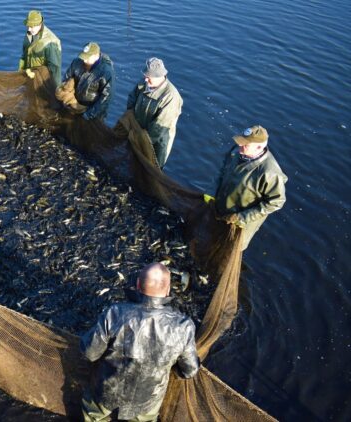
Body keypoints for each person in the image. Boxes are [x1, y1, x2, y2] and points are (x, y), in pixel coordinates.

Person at [80, 262, 199, 422]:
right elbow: (189, 371)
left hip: (106, 391)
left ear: (137, 284)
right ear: (168, 289)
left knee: (93, 416)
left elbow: (90, 353)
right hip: (147, 400)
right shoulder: (183, 327)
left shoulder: (114, 313)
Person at [213, 125, 287, 250]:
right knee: (214, 238)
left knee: (231, 248)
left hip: (241, 222)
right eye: (240, 142)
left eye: (245, 144)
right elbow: (222, 171)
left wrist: (241, 217)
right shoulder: (236, 152)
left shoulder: (270, 172)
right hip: (221, 209)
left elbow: (276, 202)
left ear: (259, 147)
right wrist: (213, 192)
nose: (240, 146)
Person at [126, 57, 183, 168]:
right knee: (135, 163)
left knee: (152, 168)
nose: (146, 80)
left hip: (157, 142)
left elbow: (159, 128)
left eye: (149, 77)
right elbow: (132, 98)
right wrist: (131, 119)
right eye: (145, 76)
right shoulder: (144, 82)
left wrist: (142, 141)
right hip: (139, 130)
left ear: (160, 76)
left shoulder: (171, 97)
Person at [58, 42, 114, 121]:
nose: (84, 60)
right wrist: (67, 97)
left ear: (96, 56)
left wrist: (89, 114)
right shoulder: (76, 63)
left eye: (87, 58)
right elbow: (67, 78)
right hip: (74, 104)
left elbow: (106, 98)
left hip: (92, 110)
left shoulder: (106, 72)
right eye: (83, 57)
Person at [18, 10, 62, 86]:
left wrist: (56, 89)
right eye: (28, 26)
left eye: (31, 26)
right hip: (29, 75)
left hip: (43, 81)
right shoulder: (29, 34)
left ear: (39, 24)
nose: (29, 29)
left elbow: (55, 69)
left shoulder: (51, 42)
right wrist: (21, 72)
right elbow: (24, 54)